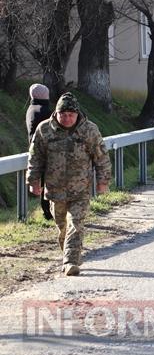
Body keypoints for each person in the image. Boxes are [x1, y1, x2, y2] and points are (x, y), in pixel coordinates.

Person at [27, 93, 111, 276]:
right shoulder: (44, 130)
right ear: (56, 114)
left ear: (77, 114)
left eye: (71, 115)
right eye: (63, 115)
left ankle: (71, 261)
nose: (67, 118)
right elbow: (35, 158)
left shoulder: (89, 130)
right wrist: (33, 181)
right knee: (62, 226)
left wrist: (103, 181)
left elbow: (102, 157)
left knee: (76, 223)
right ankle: (69, 252)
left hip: (80, 189)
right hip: (55, 189)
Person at [25, 83, 53, 220]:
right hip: (45, 151)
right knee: (48, 181)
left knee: (44, 181)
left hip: (36, 150)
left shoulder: (32, 108)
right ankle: (48, 211)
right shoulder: (44, 110)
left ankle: (47, 210)